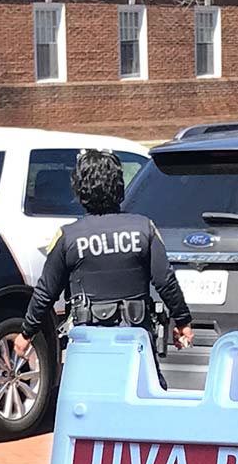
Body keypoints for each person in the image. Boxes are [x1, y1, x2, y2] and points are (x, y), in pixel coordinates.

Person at [15, 149, 194, 370]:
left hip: (88, 344)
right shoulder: (143, 228)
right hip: (135, 341)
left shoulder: (68, 237)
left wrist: (26, 333)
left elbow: (46, 292)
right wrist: (183, 321)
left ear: (79, 190)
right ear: (120, 187)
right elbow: (165, 281)